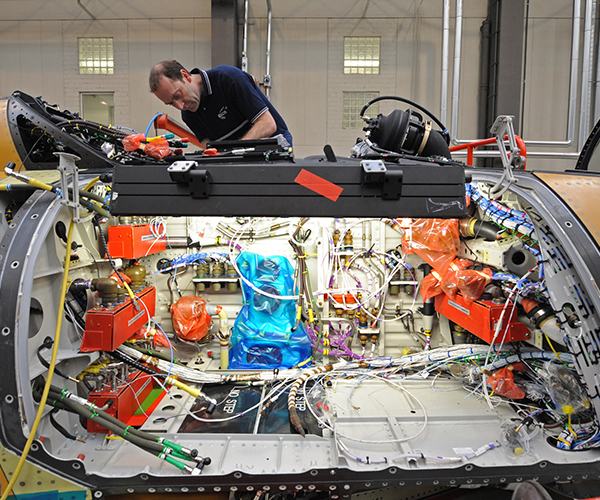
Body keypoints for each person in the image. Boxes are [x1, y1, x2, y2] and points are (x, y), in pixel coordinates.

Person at [149, 60, 292, 148]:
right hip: (240, 158)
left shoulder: (228, 79)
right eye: (171, 103)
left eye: (178, 95)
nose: (180, 106)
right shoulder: (188, 115)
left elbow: (268, 124)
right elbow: (210, 149)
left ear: (185, 76)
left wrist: (236, 151)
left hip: (274, 146)